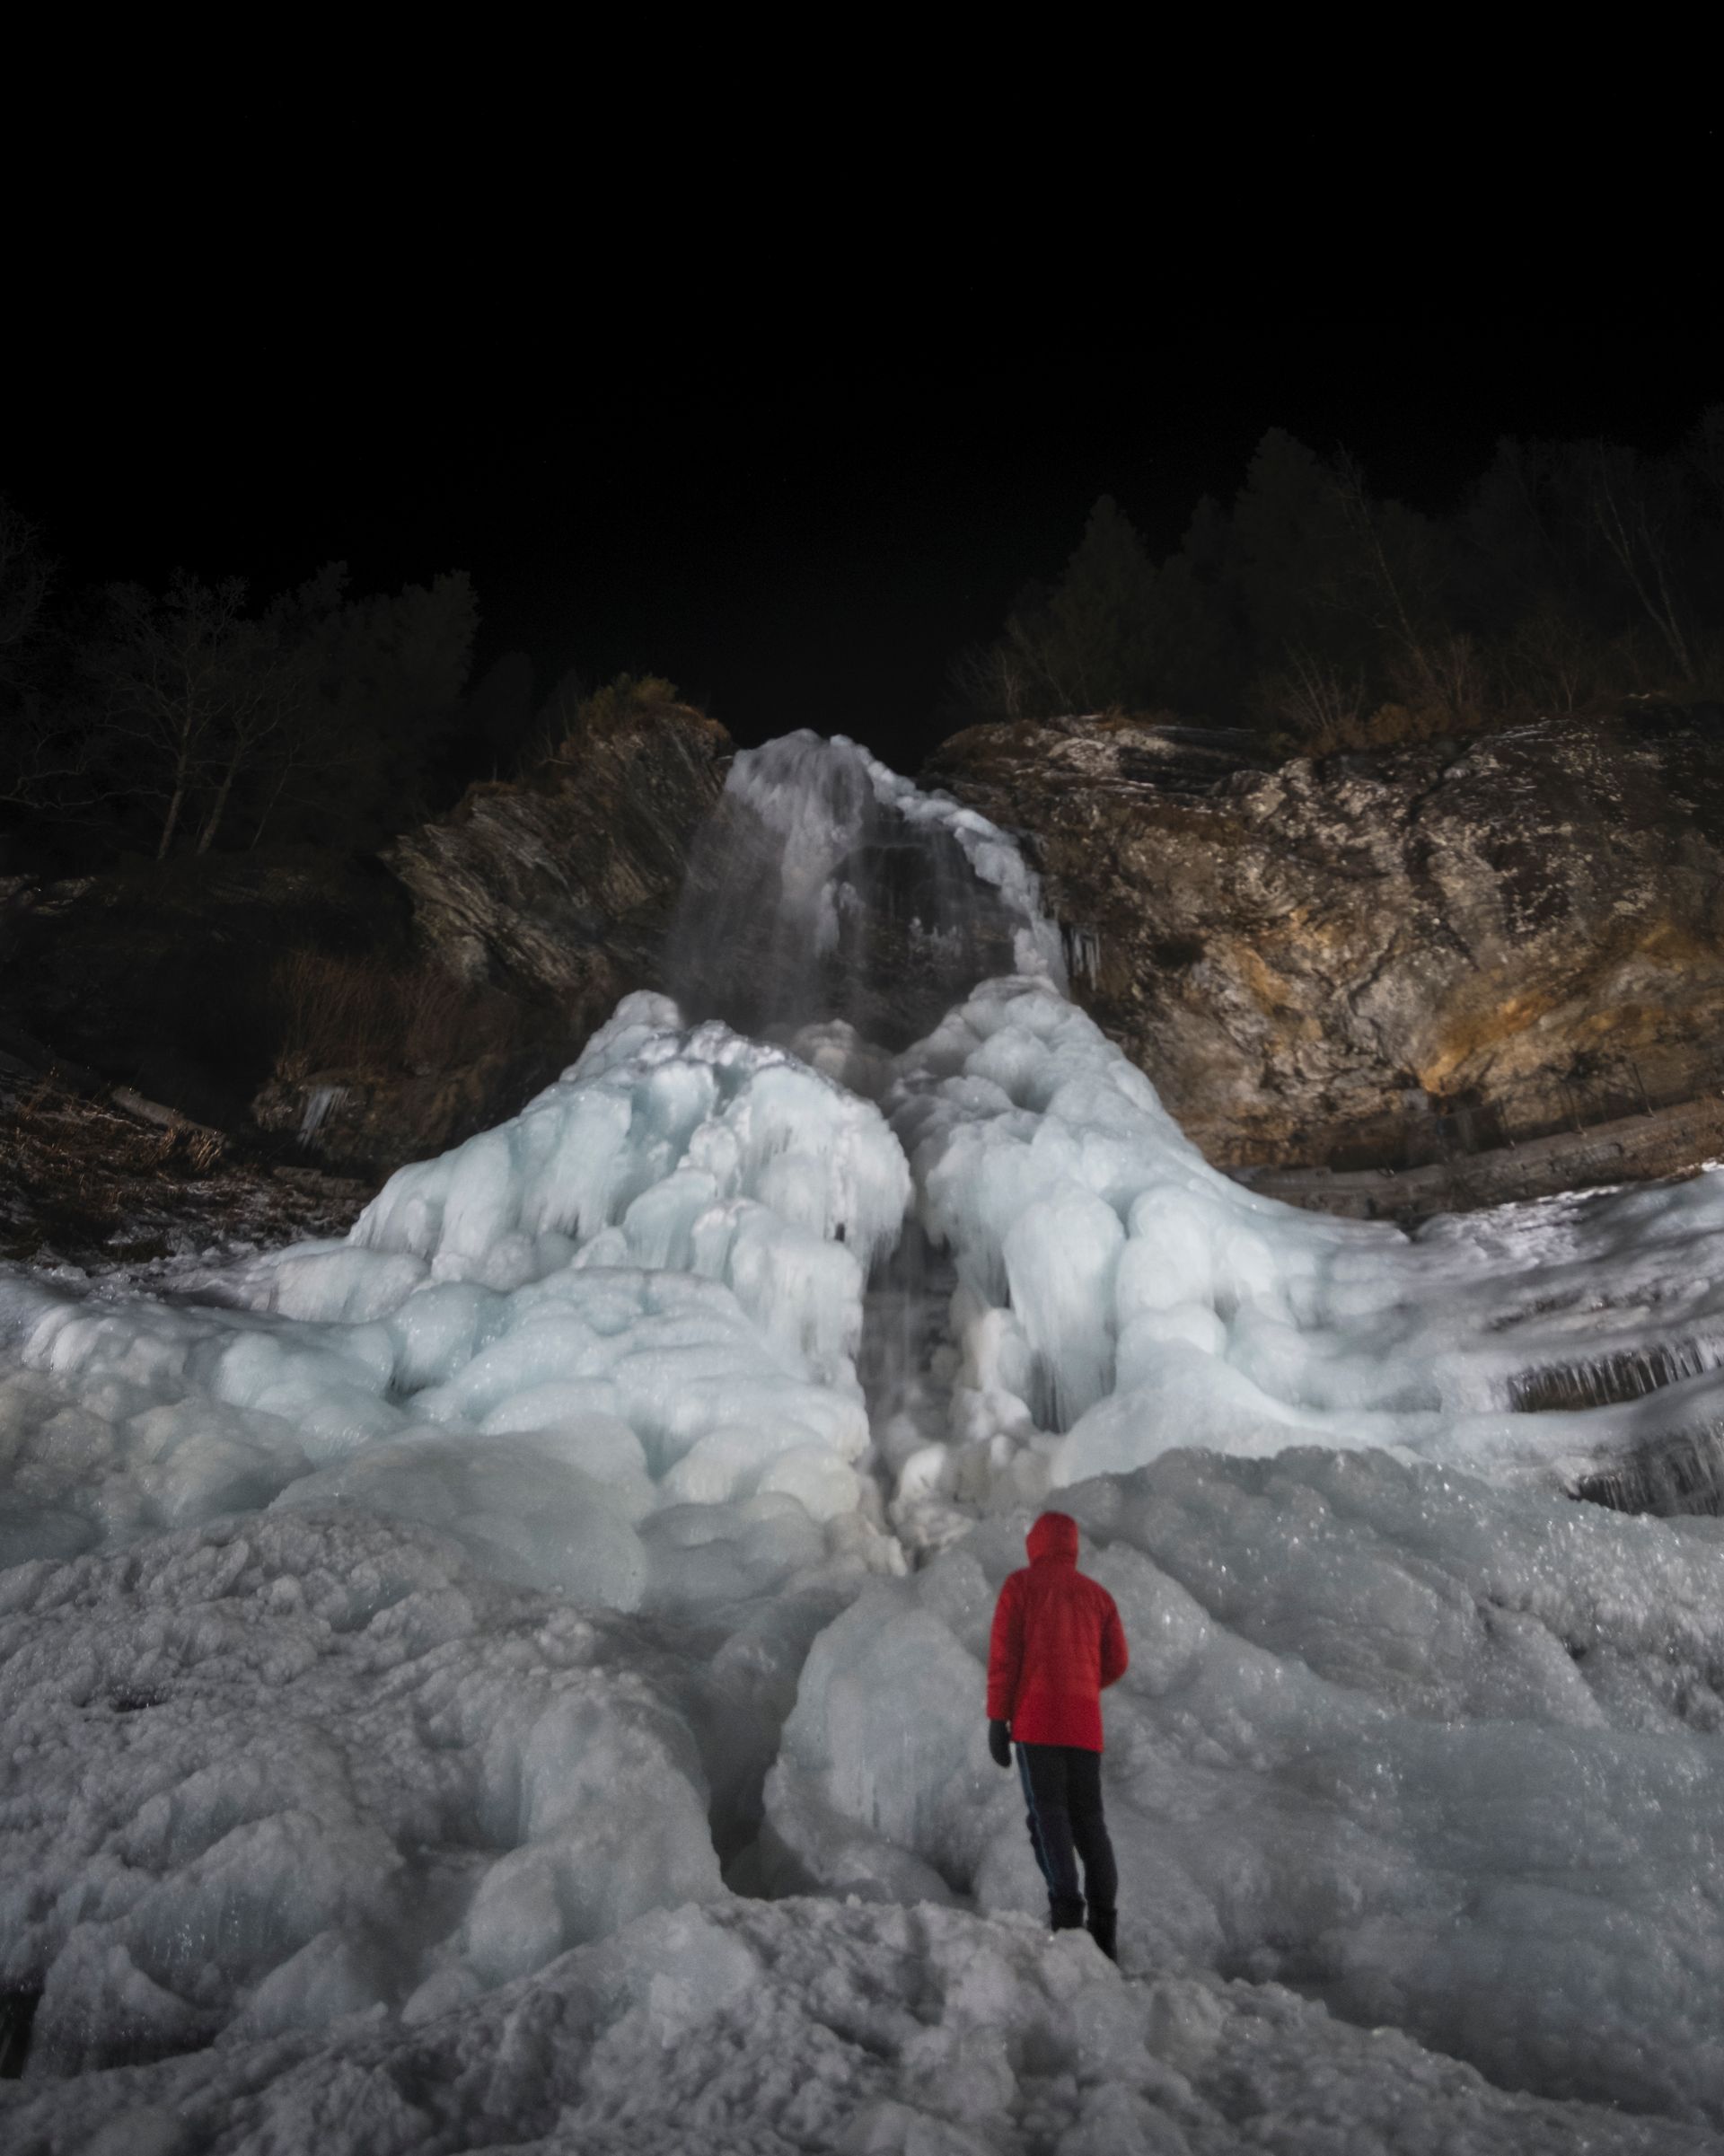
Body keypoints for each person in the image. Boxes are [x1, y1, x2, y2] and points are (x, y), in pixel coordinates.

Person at [986, 1509, 1128, 1959]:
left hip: (1036, 1724)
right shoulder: (1098, 1597)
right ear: (1072, 1545)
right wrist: (1083, 1685)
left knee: (1048, 1818)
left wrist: (997, 1719)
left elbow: (1005, 1659)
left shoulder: (1020, 1587)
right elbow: (1117, 1661)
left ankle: (1066, 1918)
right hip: (1085, 1728)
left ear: (1036, 1544)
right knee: (1090, 1824)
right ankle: (1104, 1927)